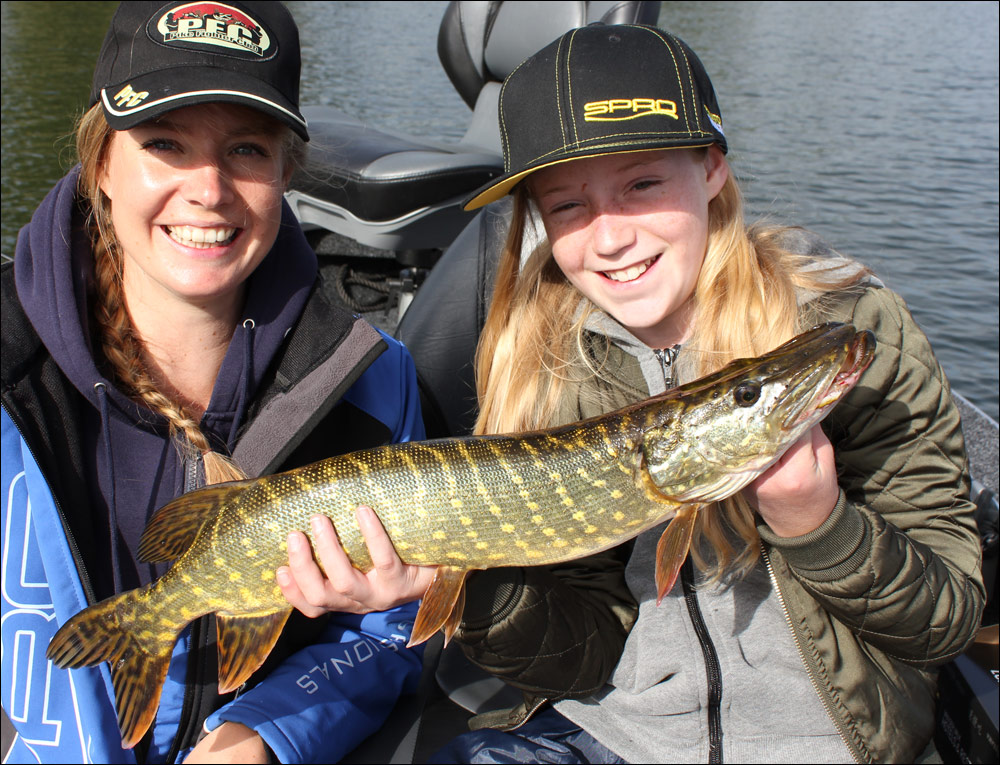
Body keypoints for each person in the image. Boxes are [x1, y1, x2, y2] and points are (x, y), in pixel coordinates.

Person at [421, 23, 985, 763]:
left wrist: (819, 524)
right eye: (567, 206)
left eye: (643, 184)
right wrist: (464, 589)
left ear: (712, 167)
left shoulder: (850, 323)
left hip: (827, 742)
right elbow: (583, 659)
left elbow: (946, 619)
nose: (611, 238)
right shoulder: (546, 364)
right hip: (617, 732)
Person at [0, 2, 429, 763]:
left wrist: (268, 727)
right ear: (101, 161)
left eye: (245, 150)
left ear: (286, 171)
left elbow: (382, 637)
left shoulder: (371, 377)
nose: (207, 189)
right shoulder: (10, 369)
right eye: (164, 143)